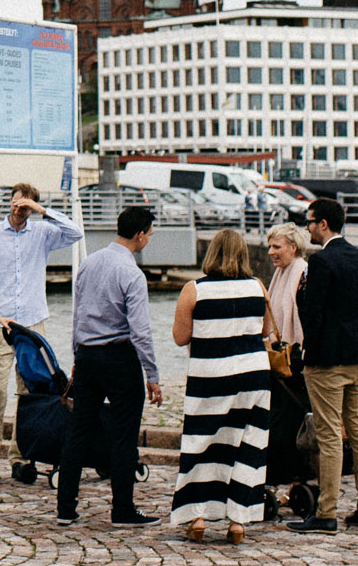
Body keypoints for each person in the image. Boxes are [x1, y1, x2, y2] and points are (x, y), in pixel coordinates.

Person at [57, 205, 161, 528]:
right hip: (119, 357)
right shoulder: (132, 274)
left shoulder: (88, 264)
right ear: (140, 235)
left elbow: (78, 315)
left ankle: (65, 507)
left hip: (87, 355)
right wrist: (153, 375)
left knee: (79, 431)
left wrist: (76, 357)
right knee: (123, 433)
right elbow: (140, 332)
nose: (150, 238)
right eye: (150, 233)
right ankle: (123, 509)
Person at [0, 182, 83, 486]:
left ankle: (21, 457)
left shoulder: (43, 233)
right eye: (16, 202)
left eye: (26, 204)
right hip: (0, 321)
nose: (19, 209)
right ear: (8, 202)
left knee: (29, 393)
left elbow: (76, 233)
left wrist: (42, 212)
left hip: (33, 322)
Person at [170, 228, 272, 544]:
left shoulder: (194, 290)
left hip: (210, 374)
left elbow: (180, 337)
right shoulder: (258, 287)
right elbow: (266, 329)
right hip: (253, 373)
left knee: (202, 442)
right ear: (243, 255)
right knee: (247, 444)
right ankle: (238, 521)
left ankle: (197, 515)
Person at [289, 196, 358, 534]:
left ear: (323, 224)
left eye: (309, 222)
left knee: (329, 435)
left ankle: (326, 512)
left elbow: (312, 313)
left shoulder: (322, 261)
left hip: (327, 358)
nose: (308, 228)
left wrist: (308, 347)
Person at [260, 222, 314, 512]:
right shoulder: (279, 274)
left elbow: (302, 316)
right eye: (270, 247)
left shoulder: (301, 273)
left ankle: (294, 476)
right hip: (280, 359)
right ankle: (280, 476)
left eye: (276, 247)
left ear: (293, 247)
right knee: (278, 420)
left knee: (290, 421)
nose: (271, 252)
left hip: (295, 359)